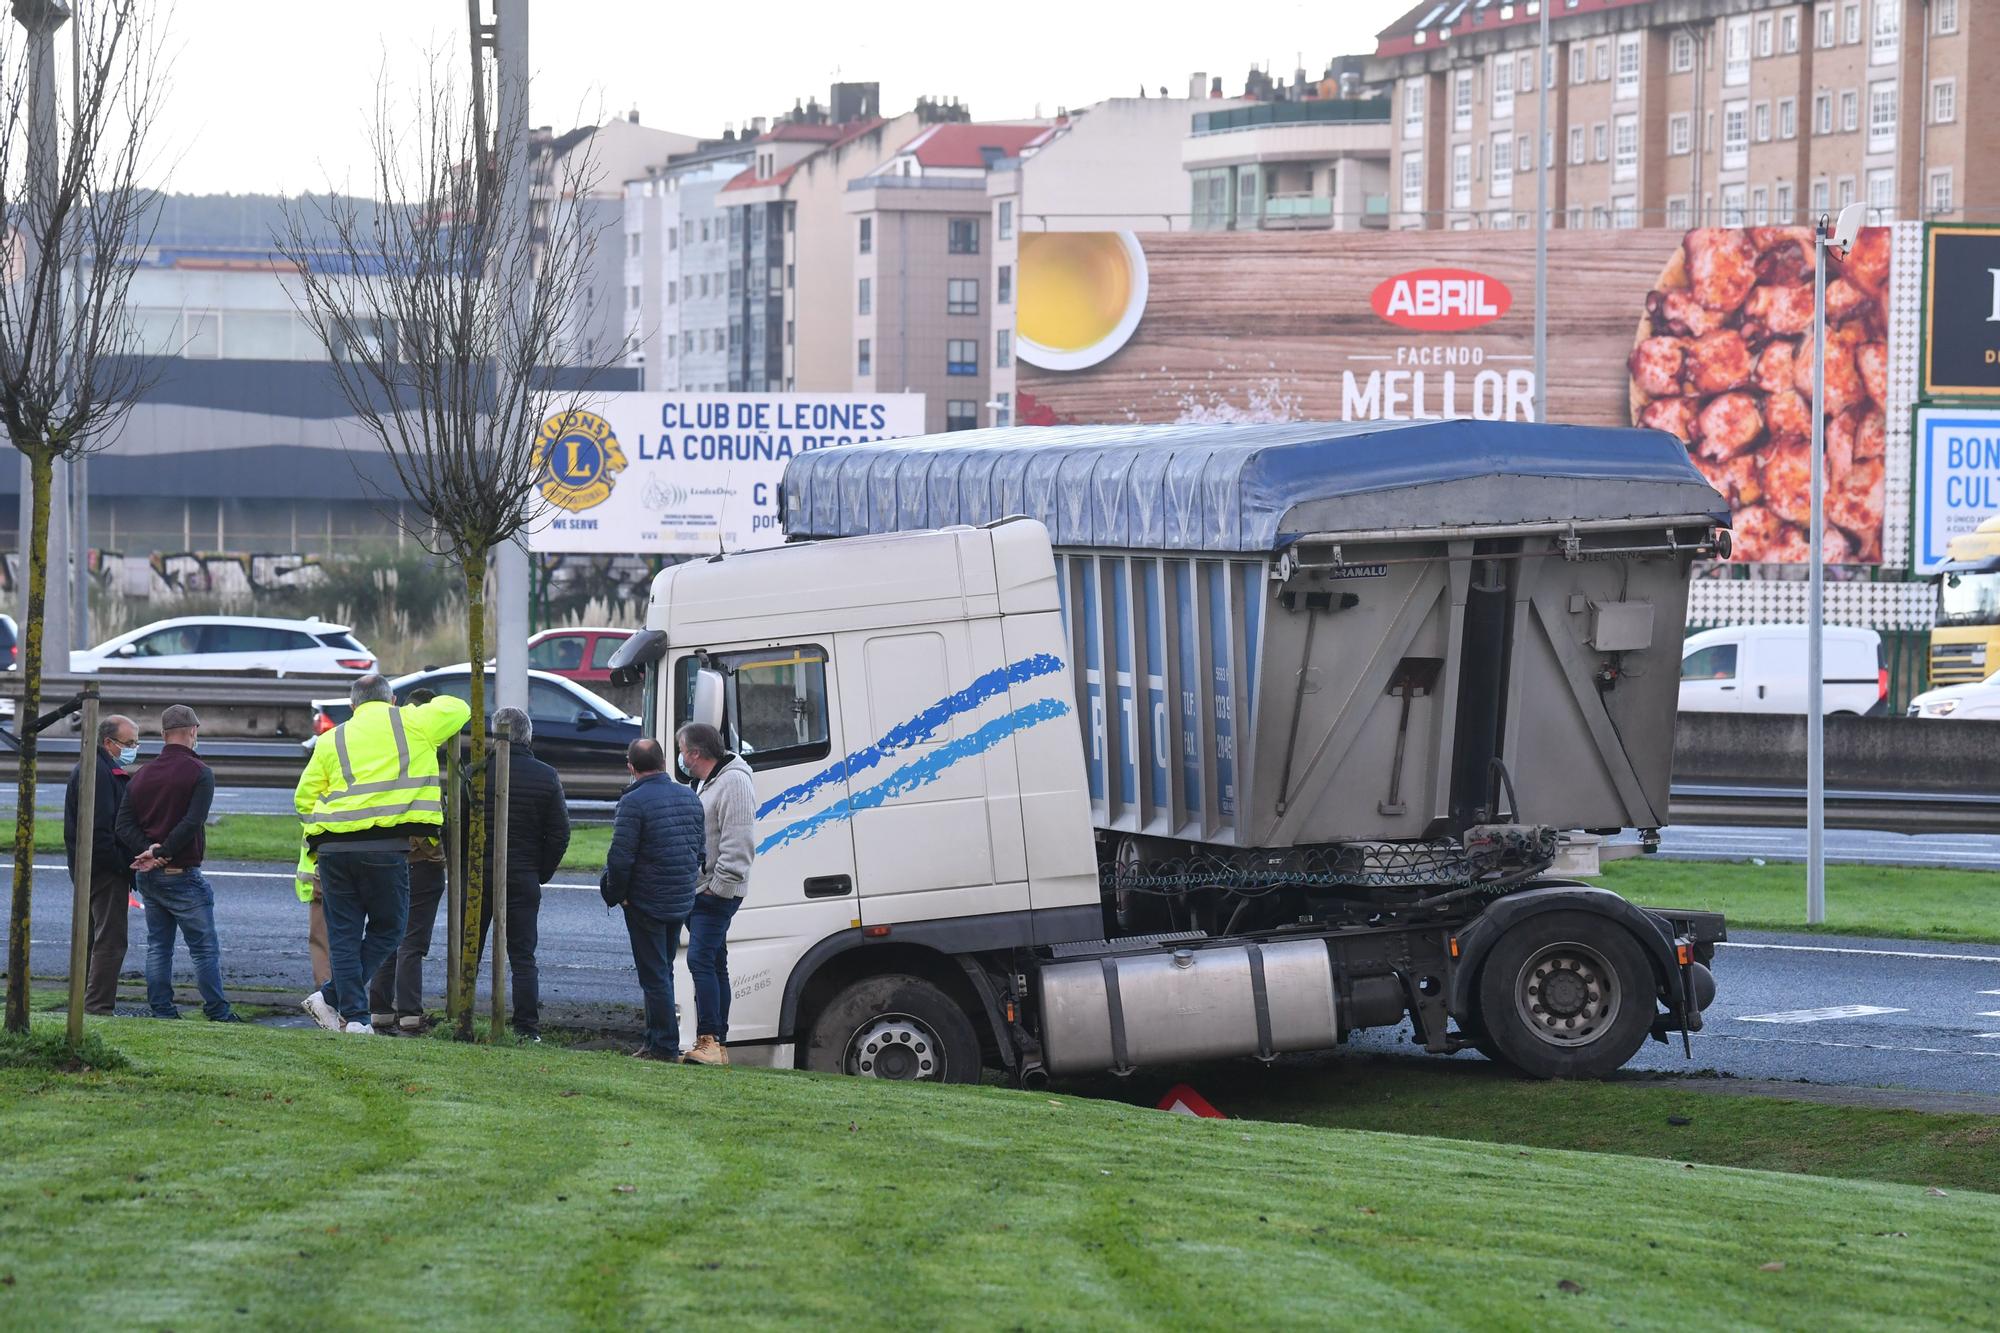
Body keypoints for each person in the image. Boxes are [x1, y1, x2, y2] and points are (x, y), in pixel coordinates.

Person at [296, 673, 469, 1034]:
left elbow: (304, 798)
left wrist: (328, 829)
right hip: (386, 847)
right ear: (391, 700)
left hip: (334, 850)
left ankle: (355, 1018)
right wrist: (414, 711)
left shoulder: (332, 738)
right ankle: (333, 1000)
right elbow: (458, 708)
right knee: (390, 929)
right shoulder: (412, 721)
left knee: (343, 935)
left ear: (352, 705)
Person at [115, 705, 240, 1022]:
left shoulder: (142, 774)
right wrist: (162, 852)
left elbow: (123, 825)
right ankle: (217, 1010)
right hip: (181, 874)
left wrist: (148, 851)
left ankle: (162, 1009)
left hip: (149, 876)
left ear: (163, 734)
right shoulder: (200, 773)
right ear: (193, 731)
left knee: (159, 946)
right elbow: (192, 823)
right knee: (203, 948)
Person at [457, 705, 569, 1041]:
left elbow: (459, 826)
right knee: (522, 956)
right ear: (528, 734)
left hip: (479, 877)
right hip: (522, 875)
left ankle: (463, 1018)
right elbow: (560, 833)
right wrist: (540, 871)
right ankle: (526, 1028)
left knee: (469, 951)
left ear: (495, 733)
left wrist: (467, 868)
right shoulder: (546, 775)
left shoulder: (476, 773)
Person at [602, 737, 703, 1061]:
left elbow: (620, 859)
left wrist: (617, 894)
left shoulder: (633, 802)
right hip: (679, 899)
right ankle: (654, 1039)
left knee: (654, 975)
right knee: (664, 972)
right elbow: (699, 851)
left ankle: (663, 1047)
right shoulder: (689, 797)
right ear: (663, 762)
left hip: (646, 901)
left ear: (631, 767)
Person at [365, 687, 452, 1035]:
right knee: (412, 942)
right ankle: (411, 1015)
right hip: (423, 859)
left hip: (387, 854)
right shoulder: (425, 749)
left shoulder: (385, 745)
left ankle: (380, 1009)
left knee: (387, 934)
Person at [676, 721, 755, 1066]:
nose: (680, 758)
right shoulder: (709, 782)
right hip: (705, 890)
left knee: (700, 960)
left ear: (695, 753)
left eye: (682, 751)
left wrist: (715, 889)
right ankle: (717, 1043)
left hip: (716, 893)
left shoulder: (734, 782)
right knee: (714, 961)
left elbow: (738, 844)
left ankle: (708, 1039)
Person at [63, 712, 140, 1015]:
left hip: (92, 867)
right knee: (110, 940)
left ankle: (83, 1002)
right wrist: (125, 865)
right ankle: (98, 1006)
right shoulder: (98, 773)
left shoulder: (99, 768)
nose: (134, 748)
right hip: (104, 870)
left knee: (91, 938)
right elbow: (101, 832)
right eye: (129, 742)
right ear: (109, 743)